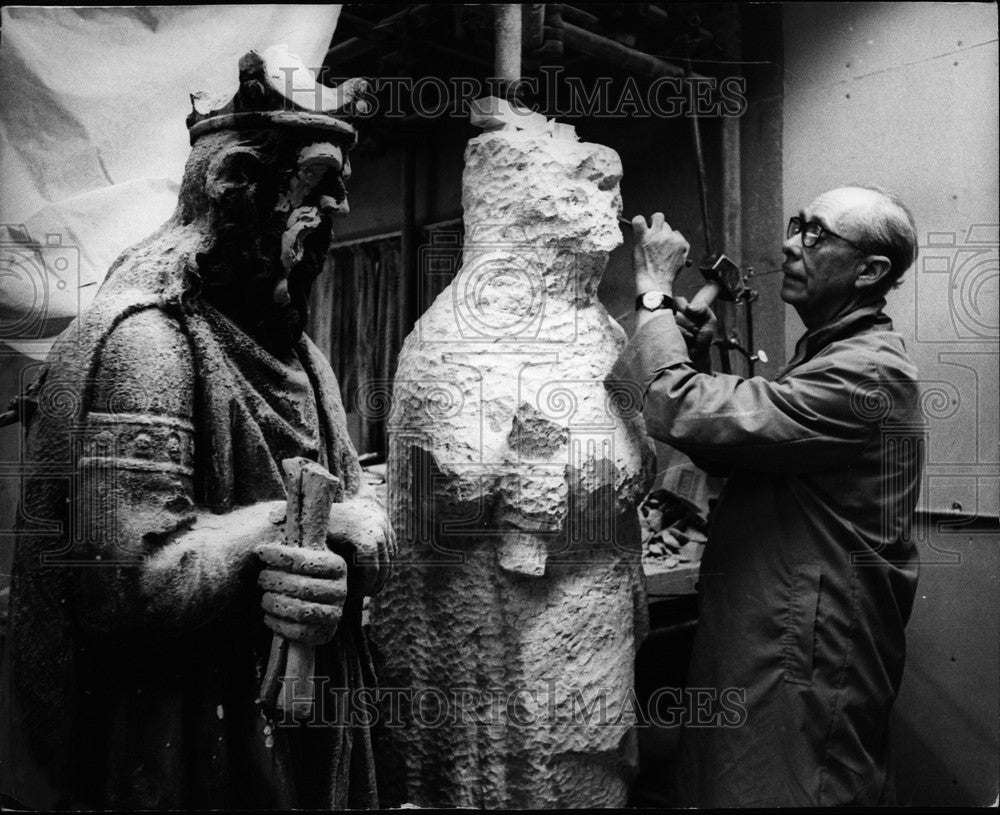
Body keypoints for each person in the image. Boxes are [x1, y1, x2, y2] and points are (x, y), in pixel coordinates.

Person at [7, 50, 392, 810]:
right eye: (321, 183)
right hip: (190, 735)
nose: (340, 211)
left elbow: (356, 505)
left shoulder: (306, 360)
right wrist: (284, 529)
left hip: (308, 729)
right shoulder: (149, 343)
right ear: (238, 183)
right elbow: (127, 586)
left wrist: (354, 550)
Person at [614, 186, 923, 806]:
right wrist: (694, 349)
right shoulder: (831, 355)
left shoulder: (867, 374)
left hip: (804, 646)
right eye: (796, 224)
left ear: (871, 271)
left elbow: (683, 411)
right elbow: (737, 445)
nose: (789, 244)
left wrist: (651, 291)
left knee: (789, 786)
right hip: (774, 624)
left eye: (816, 233)